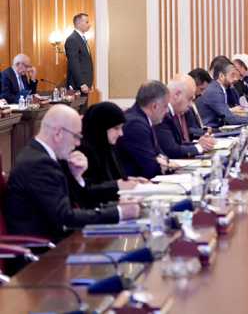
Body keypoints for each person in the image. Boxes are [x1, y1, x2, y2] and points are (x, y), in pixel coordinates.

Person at [4, 105, 139, 241]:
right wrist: (119, 212)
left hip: (60, 239)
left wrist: (77, 177)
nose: (78, 143)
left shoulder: (44, 156)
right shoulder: (38, 164)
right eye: (76, 136)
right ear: (58, 134)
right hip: (46, 248)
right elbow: (65, 217)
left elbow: (76, 205)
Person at [73, 102, 146, 208]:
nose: (121, 133)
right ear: (101, 127)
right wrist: (117, 185)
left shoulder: (107, 147)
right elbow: (84, 191)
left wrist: (130, 181)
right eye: (116, 128)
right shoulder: (82, 152)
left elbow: (110, 179)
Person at [116, 81, 171, 179]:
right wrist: (160, 163)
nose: (167, 111)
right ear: (154, 106)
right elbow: (151, 168)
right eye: (165, 106)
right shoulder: (135, 125)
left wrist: (162, 161)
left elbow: (161, 154)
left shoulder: (142, 119)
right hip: (135, 184)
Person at [156, 75, 215, 159]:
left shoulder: (174, 113)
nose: (191, 105)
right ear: (177, 95)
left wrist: (199, 144)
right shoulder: (162, 114)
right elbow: (171, 150)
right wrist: (199, 147)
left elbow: (179, 144)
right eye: (189, 99)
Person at [196, 60, 248, 128]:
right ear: (221, 76)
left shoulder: (220, 88)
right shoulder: (214, 91)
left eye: (236, 75)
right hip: (211, 129)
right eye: (232, 75)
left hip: (219, 126)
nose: (235, 78)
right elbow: (230, 119)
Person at [65, 12, 94, 95]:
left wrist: (89, 83)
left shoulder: (81, 38)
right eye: (87, 22)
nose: (89, 25)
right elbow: (74, 63)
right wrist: (82, 83)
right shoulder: (72, 39)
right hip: (78, 86)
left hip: (85, 84)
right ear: (78, 23)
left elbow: (85, 63)